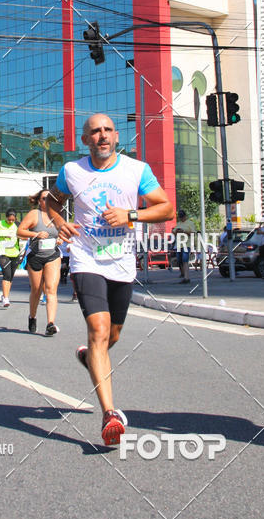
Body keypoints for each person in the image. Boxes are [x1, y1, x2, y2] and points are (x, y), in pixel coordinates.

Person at [46, 112, 174, 446]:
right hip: (86, 259)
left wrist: (130, 214)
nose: (102, 135)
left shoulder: (137, 170)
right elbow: (51, 201)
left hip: (122, 262)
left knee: (112, 335)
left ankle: (91, 357)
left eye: (107, 130)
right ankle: (110, 414)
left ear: (116, 136)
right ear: (85, 140)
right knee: (99, 330)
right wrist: (60, 223)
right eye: (95, 131)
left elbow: (166, 208)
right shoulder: (72, 171)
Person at [17, 190, 61, 335]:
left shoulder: (57, 214)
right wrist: (36, 234)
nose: (47, 201)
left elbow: (62, 232)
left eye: (50, 198)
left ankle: (50, 324)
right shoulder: (34, 214)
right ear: (39, 201)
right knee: (36, 290)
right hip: (35, 256)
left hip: (52, 256)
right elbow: (20, 231)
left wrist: (60, 239)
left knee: (51, 289)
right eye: (44, 198)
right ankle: (32, 316)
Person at [0, 209, 20, 307]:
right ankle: (6, 298)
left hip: (15, 253)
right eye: (9, 219)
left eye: (13, 220)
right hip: (3, 253)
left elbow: (23, 236)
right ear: (6, 217)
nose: (11, 221)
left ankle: (5, 294)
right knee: (7, 275)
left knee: (11, 276)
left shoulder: (17, 225)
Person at [172, 209, 196, 283]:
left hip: (186, 244)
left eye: (182, 217)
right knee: (179, 260)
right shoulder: (178, 224)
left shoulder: (190, 223)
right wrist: (176, 231)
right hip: (178, 245)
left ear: (185, 216)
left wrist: (184, 231)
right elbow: (173, 232)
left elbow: (193, 233)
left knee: (185, 260)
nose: (181, 218)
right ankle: (183, 273)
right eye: (180, 217)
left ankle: (186, 277)